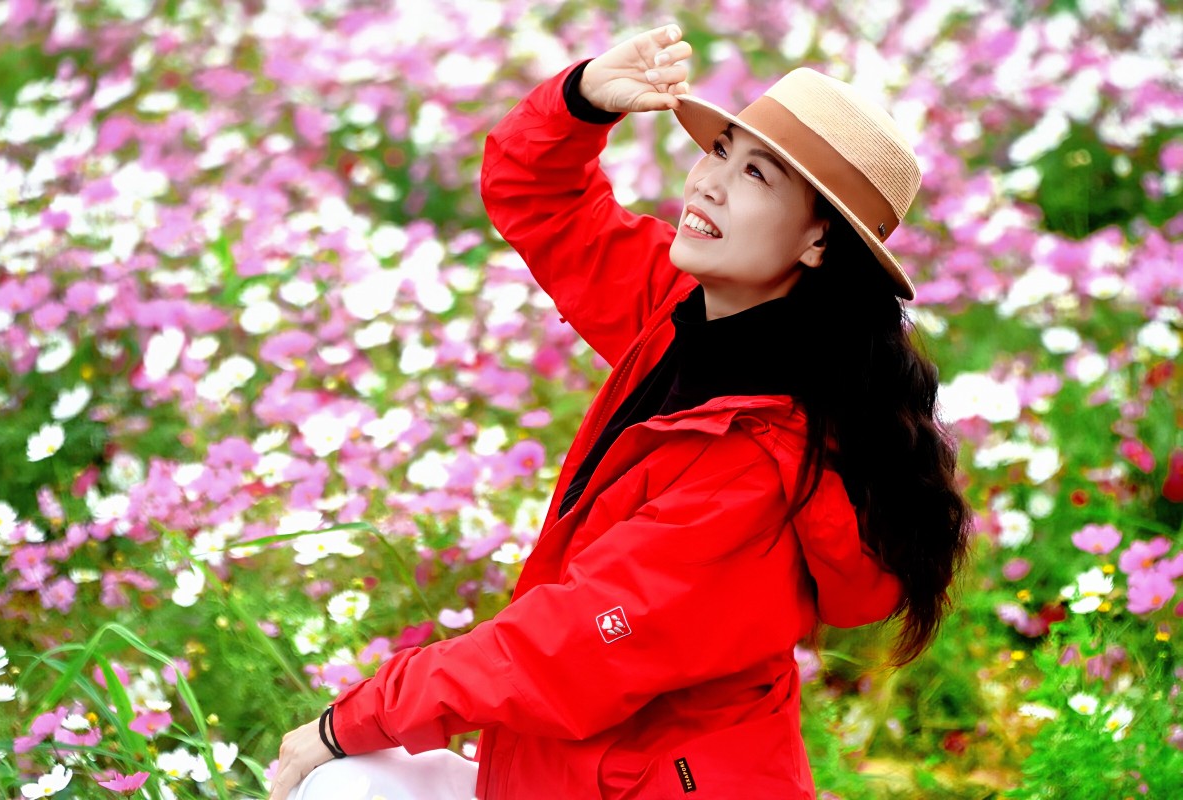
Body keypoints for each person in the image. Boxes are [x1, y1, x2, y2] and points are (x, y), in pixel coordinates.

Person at [269, 21, 972, 800]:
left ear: (819, 241)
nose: (709, 184)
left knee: (342, 778)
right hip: (571, 771)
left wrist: (353, 717)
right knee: (352, 782)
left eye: (756, 174)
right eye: (719, 151)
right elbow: (543, 203)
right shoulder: (684, 312)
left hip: (646, 784)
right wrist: (581, 101)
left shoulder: (760, 463)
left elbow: (566, 646)